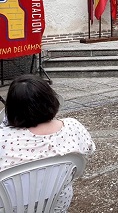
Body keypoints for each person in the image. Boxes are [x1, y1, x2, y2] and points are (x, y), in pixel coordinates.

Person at [0, 75, 95, 211]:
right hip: (56, 204)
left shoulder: (3, 137)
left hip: (11, 208)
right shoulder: (73, 127)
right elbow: (89, 150)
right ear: (51, 99)